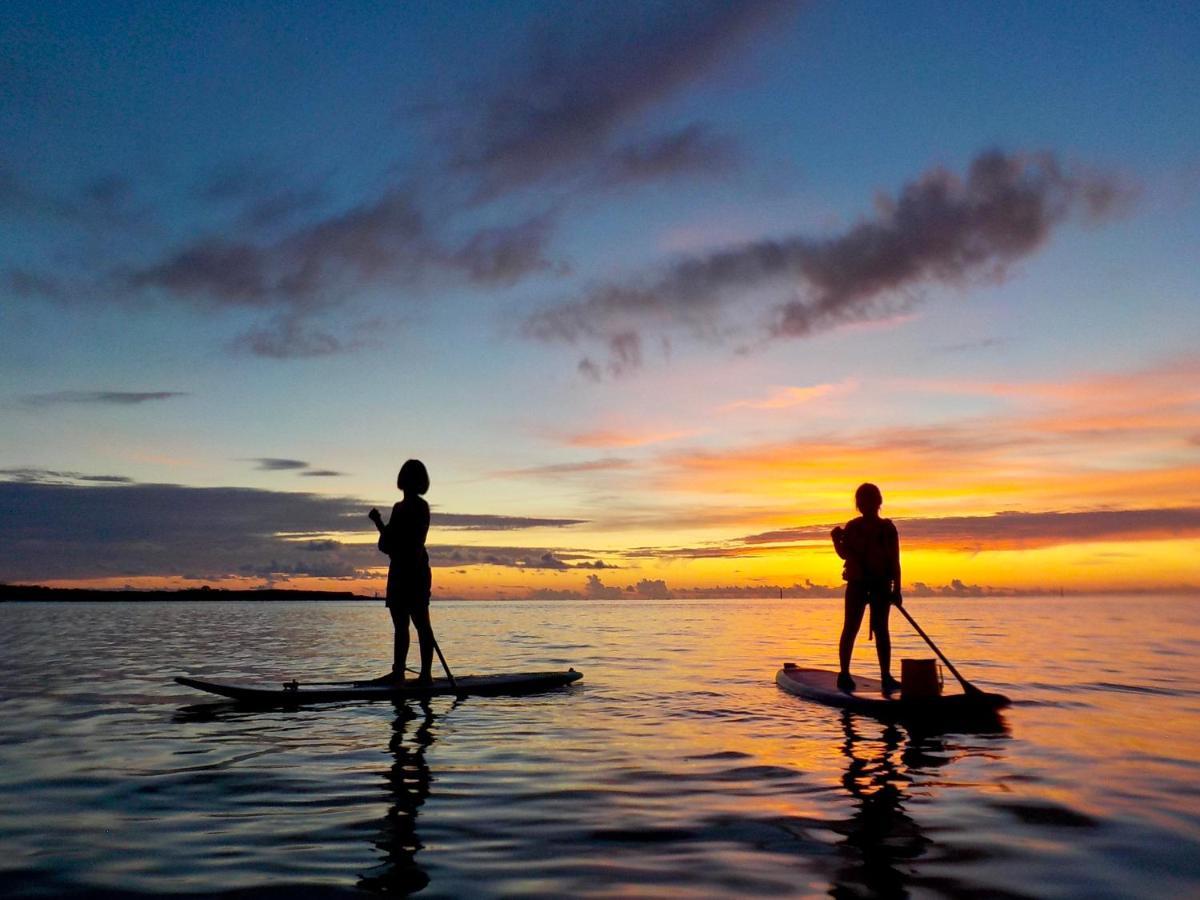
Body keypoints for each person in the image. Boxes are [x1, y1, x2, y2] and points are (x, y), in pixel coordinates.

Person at [831, 483, 902, 694]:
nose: (866, 505)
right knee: (851, 627)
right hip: (858, 584)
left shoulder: (888, 528)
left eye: (870, 501)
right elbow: (845, 554)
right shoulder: (853, 527)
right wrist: (836, 541)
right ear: (859, 505)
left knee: (881, 630)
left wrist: (897, 590)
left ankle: (886, 676)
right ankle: (844, 674)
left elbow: (895, 561)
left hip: (881, 585)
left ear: (878, 503)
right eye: (862, 502)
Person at [369, 459, 434, 684]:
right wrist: (378, 522)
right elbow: (388, 542)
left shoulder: (420, 507)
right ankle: (399, 672)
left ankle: (426, 675)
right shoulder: (398, 508)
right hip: (399, 571)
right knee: (400, 625)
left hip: (414, 572)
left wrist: (387, 534)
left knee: (421, 624)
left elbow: (404, 542)